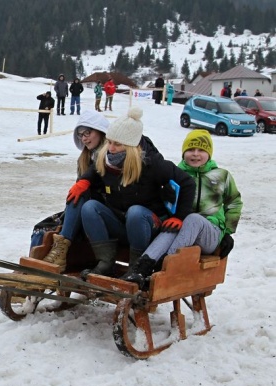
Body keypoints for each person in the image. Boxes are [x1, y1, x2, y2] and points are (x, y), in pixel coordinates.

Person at [68, 107, 196, 278]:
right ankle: (105, 262)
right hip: (121, 222)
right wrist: (85, 180)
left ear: (131, 146)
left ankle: (136, 267)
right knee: (90, 207)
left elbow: (187, 182)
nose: (111, 148)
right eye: (110, 142)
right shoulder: (106, 159)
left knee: (135, 211)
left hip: (148, 226)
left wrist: (179, 216)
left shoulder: (152, 164)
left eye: (117, 144)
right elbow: (95, 171)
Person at [121, 130, 241, 288]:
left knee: (193, 219)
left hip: (209, 234)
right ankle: (141, 268)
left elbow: (234, 203)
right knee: (172, 226)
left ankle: (164, 266)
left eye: (201, 150)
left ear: (209, 153)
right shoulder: (177, 173)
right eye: (191, 150)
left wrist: (227, 232)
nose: (195, 154)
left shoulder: (221, 176)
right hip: (183, 233)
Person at [34, 112, 110, 270]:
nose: (84, 138)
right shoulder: (84, 159)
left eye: (87, 133)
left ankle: (58, 253)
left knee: (80, 194)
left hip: (104, 213)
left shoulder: (111, 155)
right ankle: (35, 269)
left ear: (100, 132)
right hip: (83, 209)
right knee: (42, 228)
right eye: (81, 134)